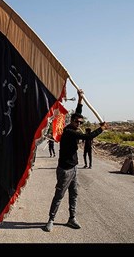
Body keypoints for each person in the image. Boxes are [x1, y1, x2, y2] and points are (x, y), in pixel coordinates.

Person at [43, 89, 108, 232]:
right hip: (64, 170)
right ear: (72, 121)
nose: (80, 124)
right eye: (78, 122)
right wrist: (101, 129)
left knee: (74, 194)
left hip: (74, 169)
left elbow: (77, 112)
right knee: (59, 195)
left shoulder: (74, 127)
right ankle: (51, 219)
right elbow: (87, 137)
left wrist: (79, 100)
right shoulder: (68, 132)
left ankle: (72, 218)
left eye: (81, 122)